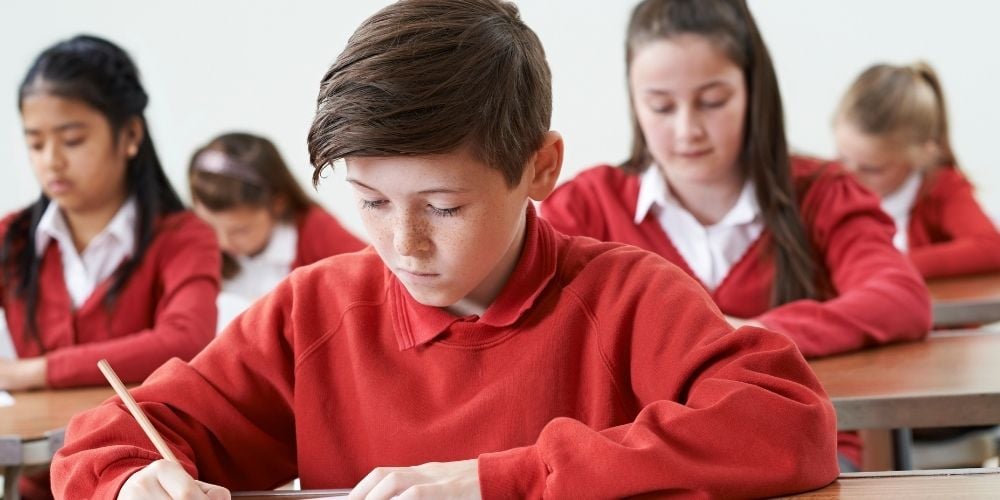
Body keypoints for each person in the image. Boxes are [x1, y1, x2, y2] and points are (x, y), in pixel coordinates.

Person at [52, 2, 838, 498]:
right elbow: (104, 440)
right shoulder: (315, 310)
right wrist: (132, 485)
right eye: (369, 203)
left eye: (443, 206)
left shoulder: (626, 297)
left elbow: (790, 426)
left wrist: (500, 480)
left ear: (541, 168)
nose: (402, 243)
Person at [539, 0, 930, 471]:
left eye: (712, 101)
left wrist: (755, 332)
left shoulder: (823, 194)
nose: (688, 130)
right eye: (660, 105)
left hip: (795, 460)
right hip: (649, 469)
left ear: (752, 90)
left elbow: (900, 297)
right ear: (633, 100)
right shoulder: (585, 206)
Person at [1, 34, 220, 499]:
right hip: (38, 486)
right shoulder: (12, 239)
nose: (51, 161)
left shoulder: (183, 237)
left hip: (139, 480)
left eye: (72, 139)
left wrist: (35, 371)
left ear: (131, 135)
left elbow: (186, 338)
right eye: (35, 144)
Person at [834, 61, 1000, 279]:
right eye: (843, 159)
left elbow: (991, 247)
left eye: (872, 169)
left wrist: (889, 265)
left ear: (921, 156)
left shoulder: (941, 188)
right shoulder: (829, 188)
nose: (850, 175)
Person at [188, 132, 365, 326]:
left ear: (277, 203)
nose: (223, 243)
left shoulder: (314, 231)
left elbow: (371, 277)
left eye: (241, 231)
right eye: (209, 228)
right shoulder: (196, 247)